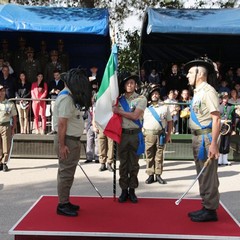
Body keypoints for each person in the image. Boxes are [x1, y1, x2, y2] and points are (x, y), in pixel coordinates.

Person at [184, 57, 221, 222]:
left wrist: (214, 144)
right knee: (202, 173)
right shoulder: (198, 92)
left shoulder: (208, 91)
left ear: (200, 74)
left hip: (206, 139)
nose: (187, 75)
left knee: (208, 174)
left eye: (191, 72)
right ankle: (206, 205)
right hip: (198, 137)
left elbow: (217, 119)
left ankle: (211, 210)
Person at [53, 68, 92, 217]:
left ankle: (65, 201)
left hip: (71, 139)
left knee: (68, 173)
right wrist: (62, 145)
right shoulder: (66, 98)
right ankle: (62, 204)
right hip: (67, 140)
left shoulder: (70, 96)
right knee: (65, 173)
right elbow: (62, 124)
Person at [113, 74, 147, 203]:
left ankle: (132, 189)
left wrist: (118, 111)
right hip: (123, 134)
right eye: (127, 83)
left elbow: (135, 116)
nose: (129, 85)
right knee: (123, 164)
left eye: (132, 83)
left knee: (133, 164)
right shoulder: (118, 100)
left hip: (135, 135)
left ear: (135, 85)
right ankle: (123, 190)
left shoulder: (141, 99)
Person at [143, 84, 172, 185]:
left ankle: (158, 175)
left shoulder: (164, 107)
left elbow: (170, 121)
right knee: (149, 155)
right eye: (153, 93)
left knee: (159, 155)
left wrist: (169, 134)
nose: (155, 95)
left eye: (156, 93)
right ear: (150, 95)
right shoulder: (145, 107)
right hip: (148, 134)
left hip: (160, 134)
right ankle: (150, 175)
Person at [0, 85, 17, 172]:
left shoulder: (9, 103)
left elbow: (14, 117)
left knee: (6, 145)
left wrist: (13, 127)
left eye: (3, 91)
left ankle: (4, 163)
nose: (1, 93)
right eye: (0, 91)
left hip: (6, 125)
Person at [218, 92, 234, 166]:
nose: (225, 99)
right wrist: (221, 121)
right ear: (222, 98)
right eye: (224, 98)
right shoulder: (218, 106)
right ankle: (219, 160)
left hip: (228, 125)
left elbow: (234, 117)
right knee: (220, 142)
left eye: (226, 98)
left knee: (226, 142)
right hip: (220, 125)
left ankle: (225, 160)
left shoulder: (231, 106)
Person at [47, 69, 64, 134]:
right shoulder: (51, 82)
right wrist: (52, 91)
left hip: (60, 99)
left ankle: (60, 128)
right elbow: (48, 92)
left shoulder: (62, 82)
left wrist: (59, 92)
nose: (56, 76)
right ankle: (53, 128)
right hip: (53, 99)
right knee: (53, 114)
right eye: (55, 75)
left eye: (57, 75)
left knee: (60, 114)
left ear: (59, 75)